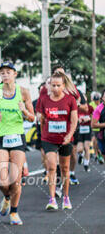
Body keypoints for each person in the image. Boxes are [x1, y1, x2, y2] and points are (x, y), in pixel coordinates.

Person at [0, 61, 35, 225]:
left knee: (15, 179)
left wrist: (24, 110)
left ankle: (14, 212)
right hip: (0, 137)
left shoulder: (24, 92)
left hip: (17, 137)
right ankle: (6, 197)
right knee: (1, 180)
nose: (5, 75)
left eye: (8, 72)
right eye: (2, 72)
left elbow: (32, 118)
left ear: (15, 74)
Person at [36, 71, 78, 211]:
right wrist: (40, 121)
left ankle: (66, 197)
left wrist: (69, 135)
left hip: (65, 139)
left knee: (65, 168)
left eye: (58, 85)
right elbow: (40, 117)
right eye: (52, 85)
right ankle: (52, 199)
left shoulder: (70, 100)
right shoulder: (44, 99)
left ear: (63, 85)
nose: (55, 88)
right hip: (49, 139)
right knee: (52, 166)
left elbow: (74, 121)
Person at [76, 103, 94, 172]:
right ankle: (81, 154)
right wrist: (79, 120)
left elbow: (94, 117)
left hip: (88, 129)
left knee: (87, 147)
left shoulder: (90, 107)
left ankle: (86, 165)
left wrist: (89, 118)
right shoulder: (77, 108)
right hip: (80, 129)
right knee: (79, 149)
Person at [90, 92, 104, 164]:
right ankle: (96, 154)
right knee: (95, 141)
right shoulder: (92, 105)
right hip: (97, 129)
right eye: (95, 100)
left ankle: (98, 153)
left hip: (101, 129)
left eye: (97, 100)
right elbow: (93, 123)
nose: (96, 101)